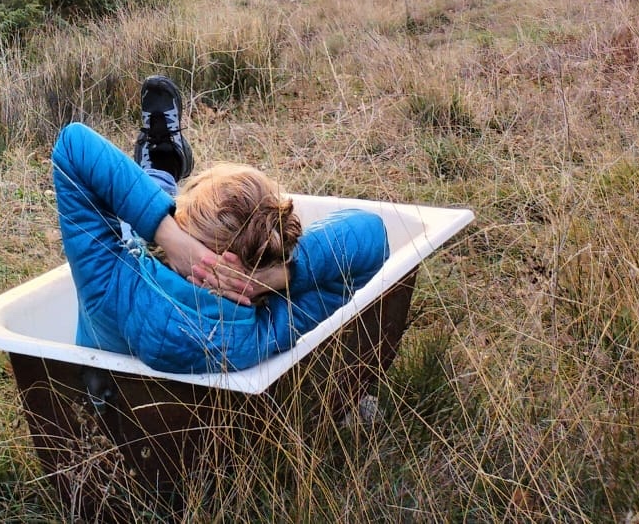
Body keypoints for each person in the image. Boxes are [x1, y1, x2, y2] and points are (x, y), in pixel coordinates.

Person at [50, 75, 389, 374]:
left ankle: (163, 163)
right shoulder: (263, 328)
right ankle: (164, 160)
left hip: (109, 348)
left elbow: (73, 145)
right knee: (148, 207)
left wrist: (167, 235)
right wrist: (278, 277)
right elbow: (370, 233)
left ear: (183, 227)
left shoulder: (110, 281)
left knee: (137, 215)